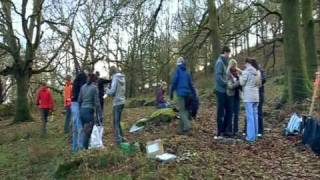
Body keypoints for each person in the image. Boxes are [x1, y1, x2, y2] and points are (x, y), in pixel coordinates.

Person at [170, 57, 196, 135]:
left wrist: (171, 93)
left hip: (181, 95)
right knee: (184, 111)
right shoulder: (187, 72)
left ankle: (188, 127)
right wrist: (194, 93)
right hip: (188, 94)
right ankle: (180, 130)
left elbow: (174, 82)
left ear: (178, 64)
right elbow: (191, 84)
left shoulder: (177, 71)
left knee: (182, 111)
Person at [240, 58, 261, 143]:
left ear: (248, 63)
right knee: (255, 116)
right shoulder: (258, 72)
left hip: (248, 97)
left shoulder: (246, 72)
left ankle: (250, 137)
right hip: (256, 96)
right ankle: (255, 135)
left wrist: (240, 76)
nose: (244, 65)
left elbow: (242, 83)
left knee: (250, 117)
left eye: (245, 64)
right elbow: (259, 84)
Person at [78, 73, 101, 149]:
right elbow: (97, 103)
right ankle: (84, 150)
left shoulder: (82, 87)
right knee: (87, 132)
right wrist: (99, 114)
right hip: (89, 111)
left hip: (82, 111)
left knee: (84, 131)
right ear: (94, 79)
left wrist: (80, 110)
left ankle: (83, 148)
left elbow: (79, 100)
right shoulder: (94, 88)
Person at [214, 46, 231, 139]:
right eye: (228, 53)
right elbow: (218, 77)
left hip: (225, 91)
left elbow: (225, 75)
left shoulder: (225, 62)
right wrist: (226, 83)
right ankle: (219, 131)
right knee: (220, 111)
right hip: (220, 90)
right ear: (224, 52)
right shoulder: (219, 62)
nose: (229, 55)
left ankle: (225, 130)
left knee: (228, 110)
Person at [107, 66, 126, 145]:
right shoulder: (122, 77)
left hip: (117, 102)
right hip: (122, 101)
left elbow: (112, 92)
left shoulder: (115, 78)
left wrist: (107, 90)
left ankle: (118, 141)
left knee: (115, 122)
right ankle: (122, 137)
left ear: (112, 72)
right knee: (118, 122)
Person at [71, 71, 87, 152]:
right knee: (80, 126)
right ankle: (80, 148)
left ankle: (74, 148)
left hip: (73, 104)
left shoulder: (75, 81)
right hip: (77, 103)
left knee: (75, 127)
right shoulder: (82, 78)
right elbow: (82, 90)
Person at [226, 59, 241, 136]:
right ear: (231, 65)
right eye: (234, 65)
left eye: (236, 65)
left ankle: (236, 130)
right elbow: (230, 86)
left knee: (236, 113)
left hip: (237, 95)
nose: (235, 67)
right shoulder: (228, 74)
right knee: (231, 113)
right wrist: (238, 82)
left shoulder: (237, 73)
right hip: (231, 95)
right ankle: (229, 130)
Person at [258, 65, 266, 137]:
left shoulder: (260, 70)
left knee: (259, 112)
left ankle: (260, 130)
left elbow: (263, 80)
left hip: (259, 93)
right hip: (256, 94)